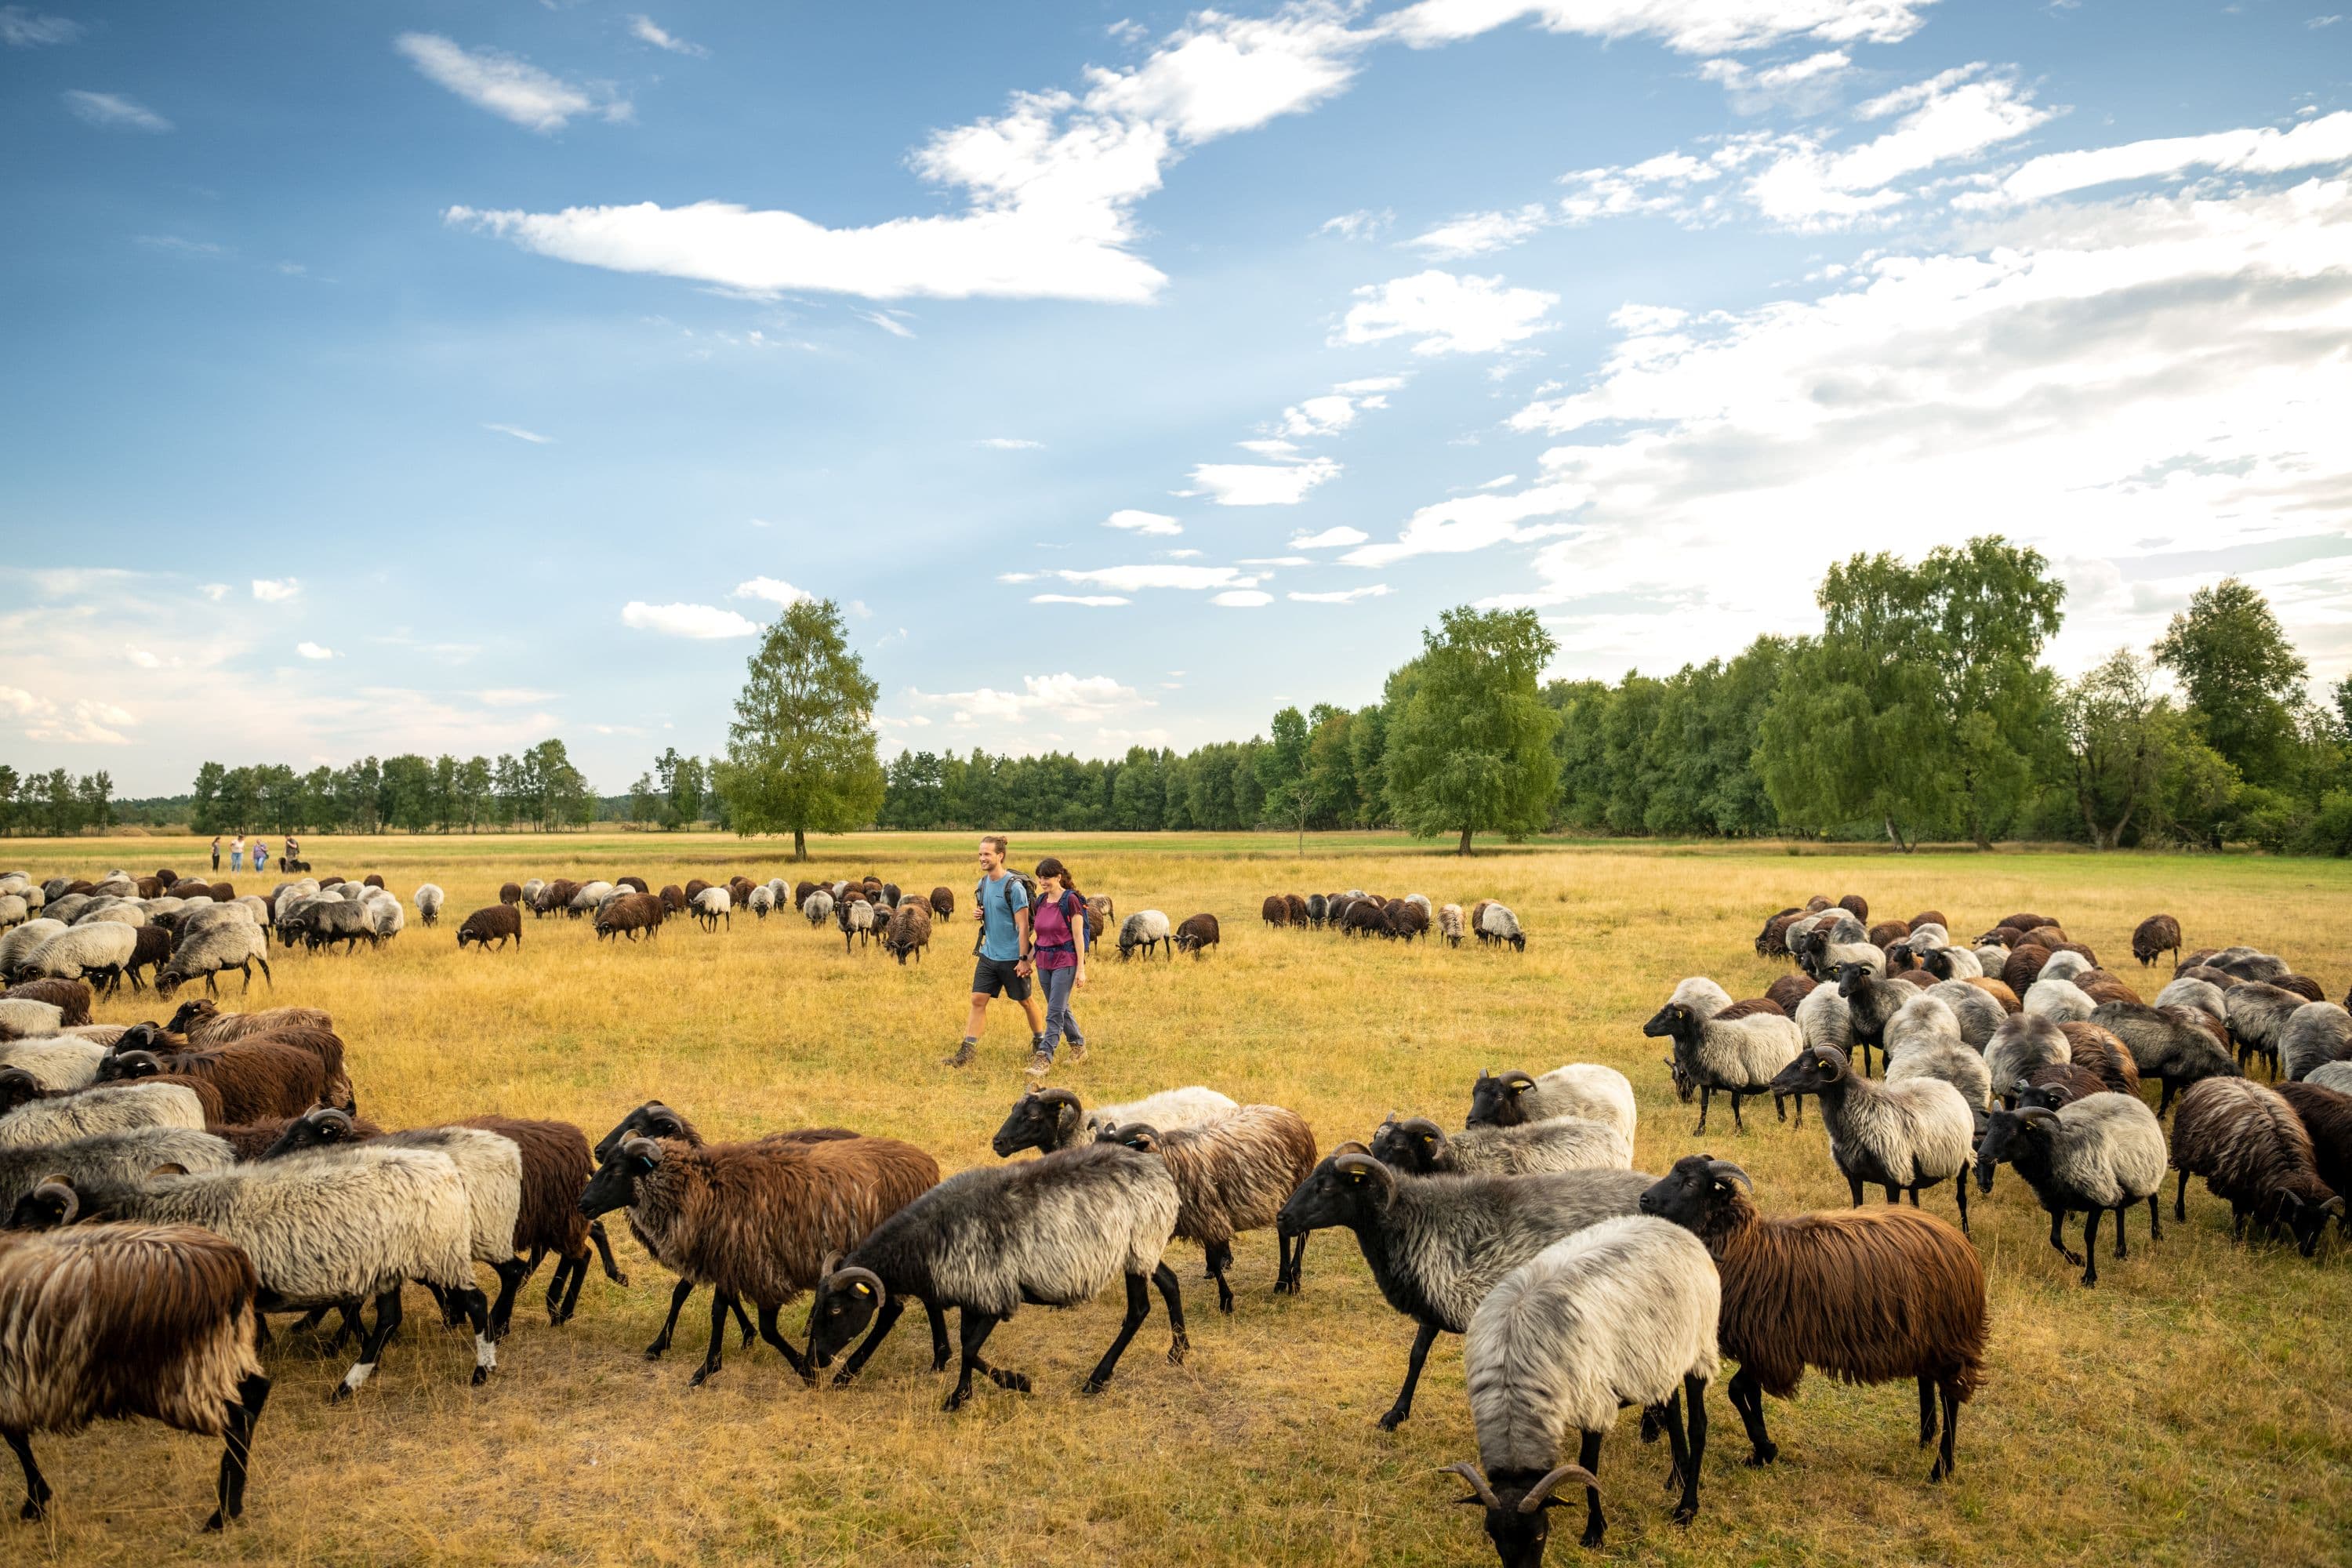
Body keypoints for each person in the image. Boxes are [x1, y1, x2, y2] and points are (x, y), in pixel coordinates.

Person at [945, 833, 1045, 1069]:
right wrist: (981, 914)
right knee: (978, 1000)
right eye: (980, 854)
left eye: (987, 854)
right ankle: (967, 1052)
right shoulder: (983, 883)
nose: (982, 858)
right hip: (988, 955)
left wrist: (1023, 960)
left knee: (1025, 1001)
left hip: (1012, 957)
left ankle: (1040, 1042)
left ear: (1000, 856)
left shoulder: (1014, 887)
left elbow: (1022, 927)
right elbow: (992, 913)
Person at [1022, 857, 1089, 1079]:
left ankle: (1044, 1057)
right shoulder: (1040, 901)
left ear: (1058, 877)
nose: (1043, 881)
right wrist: (1027, 960)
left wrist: (1081, 969)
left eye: (1048, 877)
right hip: (1044, 961)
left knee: (1054, 1011)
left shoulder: (1071, 901)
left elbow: (1078, 937)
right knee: (1059, 1007)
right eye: (1040, 877)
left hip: (1066, 960)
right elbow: (1040, 938)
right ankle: (1078, 1047)